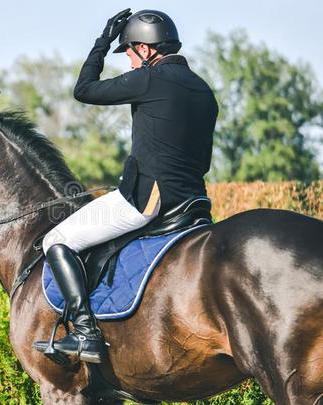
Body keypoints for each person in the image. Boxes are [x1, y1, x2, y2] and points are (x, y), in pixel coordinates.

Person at [34, 9, 219, 363]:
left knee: (55, 240)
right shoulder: (203, 90)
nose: (131, 63)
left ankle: (86, 333)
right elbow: (204, 161)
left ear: (146, 49)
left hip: (148, 200)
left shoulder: (150, 79)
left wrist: (102, 43)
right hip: (195, 202)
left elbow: (84, 90)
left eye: (130, 53)